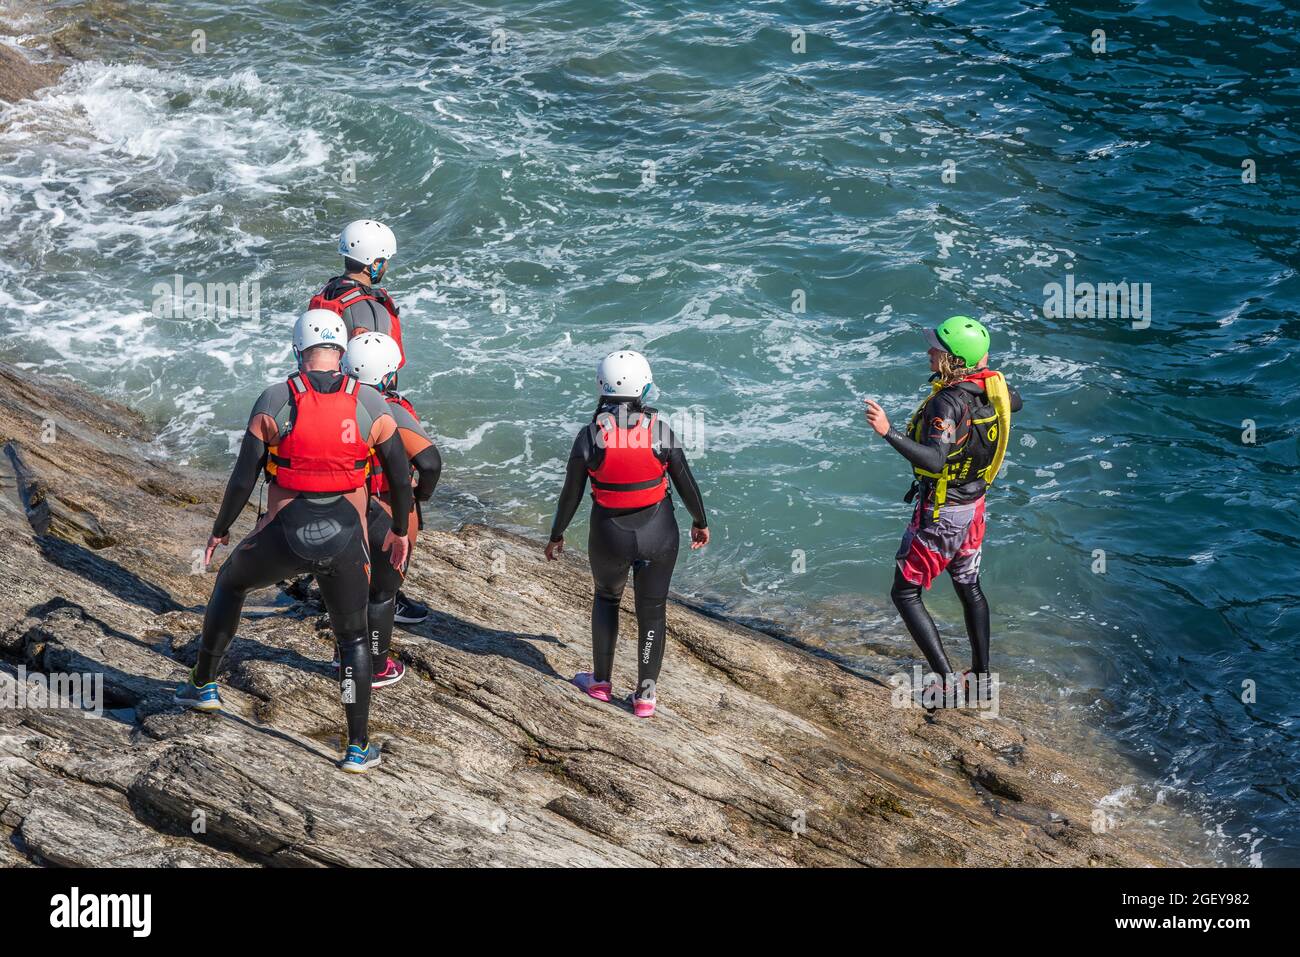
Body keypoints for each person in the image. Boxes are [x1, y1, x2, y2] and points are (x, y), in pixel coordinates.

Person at [174, 310, 414, 773]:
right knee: (353, 639)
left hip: (284, 535)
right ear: (343, 352)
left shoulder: (274, 399)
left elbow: (243, 478)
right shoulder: (371, 404)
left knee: (231, 583)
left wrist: (220, 531)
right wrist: (400, 531)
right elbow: (401, 479)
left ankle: (203, 684)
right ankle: (357, 747)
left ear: (296, 349)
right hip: (345, 538)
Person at [863, 315, 1022, 707]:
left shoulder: (946, 403)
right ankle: (981, 679)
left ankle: (947, 684)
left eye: (937, 348)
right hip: (974, 507)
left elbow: (934, 460)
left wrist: (888, 432)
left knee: (905, 592)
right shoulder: (993, 388)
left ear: (954, 360)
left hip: (944, 513)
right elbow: (1015, 401)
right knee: (968, 585)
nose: (929, 351)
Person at [544, 350, 709, 717]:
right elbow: (686, 484)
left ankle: (601, 682)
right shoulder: (660, 432)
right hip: (659, 534)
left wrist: (557, 535)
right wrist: (700, 521)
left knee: (606, 599)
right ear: (644, 388)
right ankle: (645, 696)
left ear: (601, 385)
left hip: (609, 536)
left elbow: (569, 495)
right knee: (652, 611)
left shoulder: (590, 436)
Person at [307, 218, 427, 622]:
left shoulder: (327, 295)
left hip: (323, 405)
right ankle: (385, 589)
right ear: (374, 263)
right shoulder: (369, 310)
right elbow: (371, 366)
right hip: (365, 407)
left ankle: (327, 580)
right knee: (387, 493)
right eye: (384, 261)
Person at [340, 331, 442, 688]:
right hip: (382, 509)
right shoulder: (391, 409)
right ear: (387, 376)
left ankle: (346, 653)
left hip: (337, 506)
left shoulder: (331, 402)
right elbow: (429, 463)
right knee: (381, 593)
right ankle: (377, 666)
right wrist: (419, 498)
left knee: (350, 587)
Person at [309, 219, 406, 367]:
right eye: (385, 260)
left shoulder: (328, 291)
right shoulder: (373, 308)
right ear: (374, 263)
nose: (387, 265)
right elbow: (375, 369)